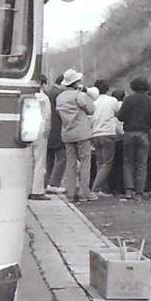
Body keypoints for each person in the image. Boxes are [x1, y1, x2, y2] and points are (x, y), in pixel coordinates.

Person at [55, 68, 97, 201]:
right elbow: (91, 109)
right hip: (82, 133)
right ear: (76, 83)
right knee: (85, 162)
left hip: (67, 133)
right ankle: (85, 192)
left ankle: (71, 193)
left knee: (71, 163)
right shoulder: (79, 96)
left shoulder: (60, 97)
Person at [117, 76, 151, 199]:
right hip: (144, 134)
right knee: (141, 163)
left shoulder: (128, 100)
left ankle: (129, 190)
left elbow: (121, 117)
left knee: (128, 162)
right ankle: (139, 192)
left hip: (129, 133)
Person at [90, 79, 120, 196]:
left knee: (100, 162)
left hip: (95, 134)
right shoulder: (112, 100)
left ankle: (101, 189)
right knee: (107, 163)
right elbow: (119, 113)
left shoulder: (92, 101)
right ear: (108, 89)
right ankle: (95, 189)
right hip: (108, 133)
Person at [29, 75, 52, 200]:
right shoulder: (44, 98)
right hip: (40, 129)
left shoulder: (28, 96)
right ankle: (37, 191)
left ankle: (27, 188)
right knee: (39, 161)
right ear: (43, 84)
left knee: (29, 161)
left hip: (27, 129)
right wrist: (47, 130)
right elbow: (47, 116)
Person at [45, 74, 66, 193]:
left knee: (49, 159)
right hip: (58, 129)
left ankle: (46, 182)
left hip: (48, 129)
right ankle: (54, 183)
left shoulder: (48, 93)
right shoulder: (60, 95)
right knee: (62, 158)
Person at [108, 89, 126, 194]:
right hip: (123, 137)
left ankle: (112, 187)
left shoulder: (112, 105)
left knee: (113, 163)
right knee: (123, 163)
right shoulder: (124, 105)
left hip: (113, 135)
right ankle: (122, 187)